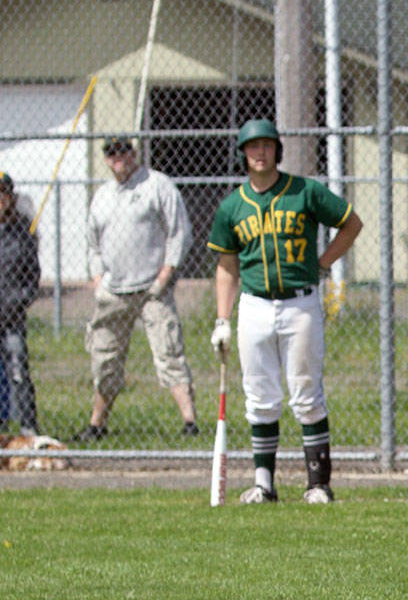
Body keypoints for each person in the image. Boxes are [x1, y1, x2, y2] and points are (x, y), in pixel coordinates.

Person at [207, 119, 363, 505]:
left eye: (266, 145)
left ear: (277, 149)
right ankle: (264, 484)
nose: (260, 153)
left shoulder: (304, 191)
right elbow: (226, 267)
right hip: (255, 304)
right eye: (252, 146)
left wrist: (323, 263)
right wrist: (222, 320)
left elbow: (351, 224)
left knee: (307, 393)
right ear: (243, 153)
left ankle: (318, 484)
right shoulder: (232, 206)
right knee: (260, 396)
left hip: (301, 302)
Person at [73, 137, 198, 441]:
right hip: (113, 291)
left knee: (168, 352)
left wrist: (165, 274)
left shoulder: (157, 185)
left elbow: (179, 231)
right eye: (111, 152)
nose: (118, 157)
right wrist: (97, 279)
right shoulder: (102, 195)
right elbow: (92, 244)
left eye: (123, 150)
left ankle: (190, 423)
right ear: (105, 158)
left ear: (134, 153)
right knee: (105, 358)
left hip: (152, 288)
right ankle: (97, 424)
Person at [0, 171, 41, 435]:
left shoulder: (22, 233)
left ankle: (28, 427)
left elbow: (32, 276)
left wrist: (18, 301)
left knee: (18, 371)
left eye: (3, 193)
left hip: (11, 314)